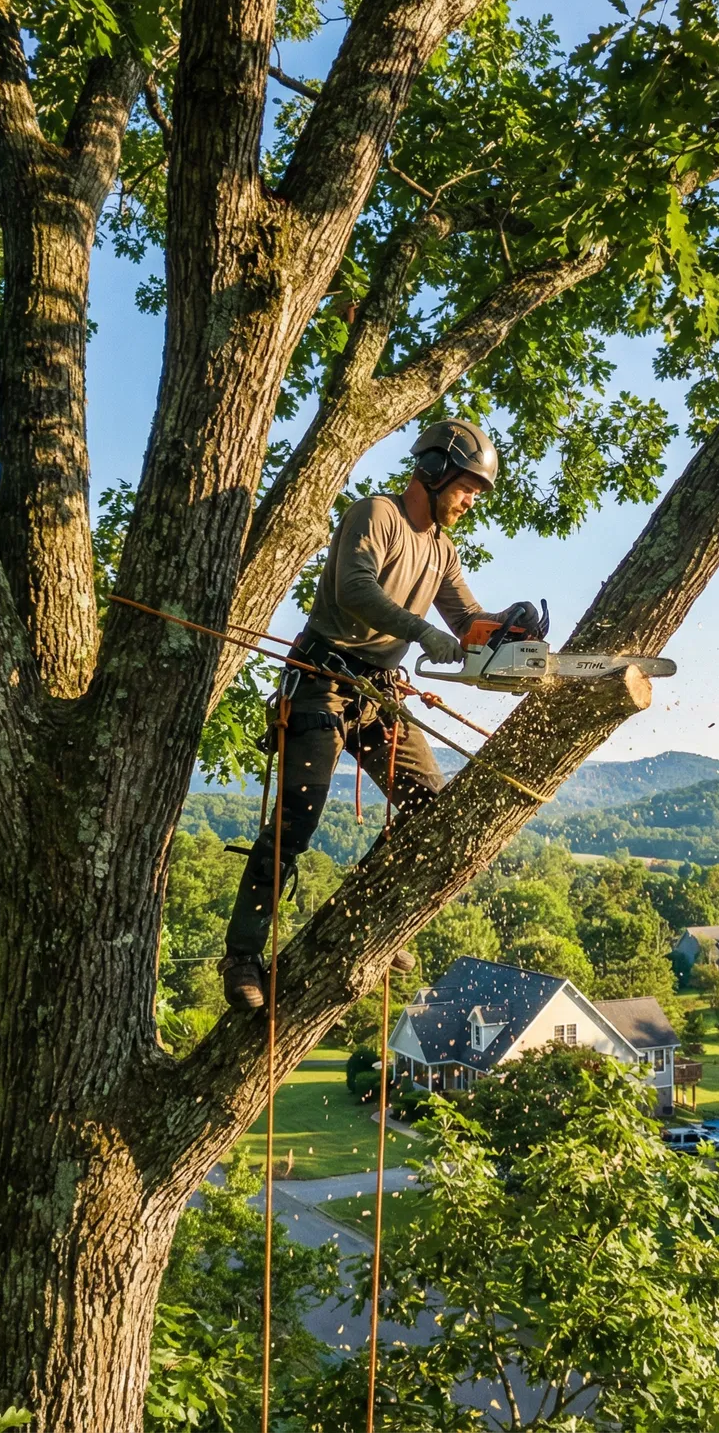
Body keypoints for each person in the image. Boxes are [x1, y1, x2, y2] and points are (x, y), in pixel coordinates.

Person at [219, 418, 532, 1011]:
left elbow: (465, 620)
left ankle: (367, 913)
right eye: (466, 488)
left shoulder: (442, 549)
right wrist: (420, 632)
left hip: (378, 692)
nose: (469, 502)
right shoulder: (376, 515)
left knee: (430, 810)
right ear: (435, 471)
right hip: (322, 682)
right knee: (296, 821)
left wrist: (505, 633)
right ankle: (242, 957)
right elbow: (353, 590)